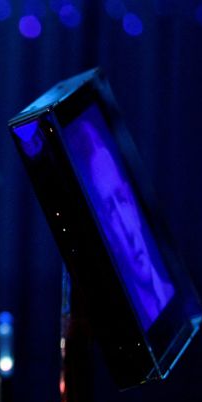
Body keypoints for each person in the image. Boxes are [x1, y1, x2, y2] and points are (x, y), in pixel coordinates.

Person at [79, 119, 174, 328]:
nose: (127, 230)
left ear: (132, 200)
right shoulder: (123, 320)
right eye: (111, 211)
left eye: (122, 199)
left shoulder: (172, 297)